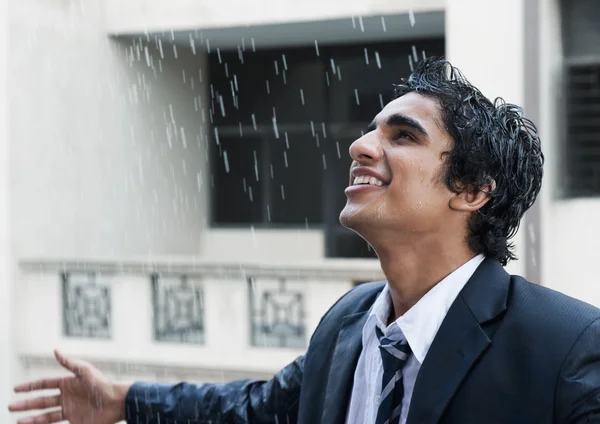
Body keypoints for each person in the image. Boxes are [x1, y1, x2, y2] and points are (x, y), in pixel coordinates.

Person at [8, 57, 600, 424]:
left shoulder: (566, 347)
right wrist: (123, 400)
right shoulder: (347, 325)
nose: (361, 147)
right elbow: (257, 409)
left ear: (471, 189)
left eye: (403, 136)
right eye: (370, 131)